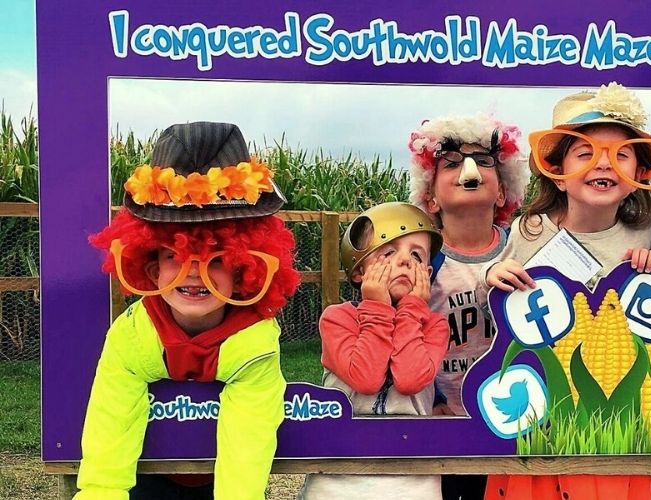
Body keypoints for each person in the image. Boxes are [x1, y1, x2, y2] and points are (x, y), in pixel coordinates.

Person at [74, 122, 301, 500]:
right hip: (151, 475)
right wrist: (101, 492)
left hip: (218, 478)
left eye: (215, 258)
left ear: (243, 266)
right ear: (150, 266)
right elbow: (109, 420)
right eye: (173, 255)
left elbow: (249, 439)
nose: (193, 270)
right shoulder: (133, 337)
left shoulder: (255, 343)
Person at [480, 82, 651, 500]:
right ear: (558, 169)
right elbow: (503, 314)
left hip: (616, 412)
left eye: (621, 155)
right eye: (586, 153)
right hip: (543, 416)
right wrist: (495, 277)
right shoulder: (529, 230)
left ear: (639, 174)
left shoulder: (647, 234)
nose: (604, 165)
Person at [408, 114, 531, 500]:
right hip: (445, 421)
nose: (469, 170)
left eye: (484, 162)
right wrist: (435, 400)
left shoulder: (527, 249)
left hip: (517, 420)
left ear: (502, 192)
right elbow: (405, 334)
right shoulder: (422, 260)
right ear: (429, 196)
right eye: (450, 164)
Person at [298, 202, 450, 500]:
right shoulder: (337, 318)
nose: (405, 261)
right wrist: (378, 308)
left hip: (413, 479)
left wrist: (411, 311)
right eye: (388, 252)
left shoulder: (434, 327)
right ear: (359, 271)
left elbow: (408, 379)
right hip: (339, 475)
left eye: (417, 255)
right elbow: (365, 377)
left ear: (428, 273)